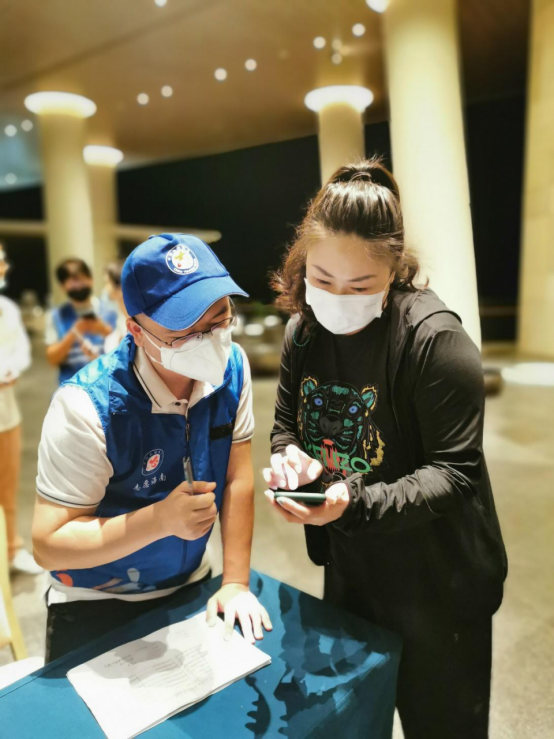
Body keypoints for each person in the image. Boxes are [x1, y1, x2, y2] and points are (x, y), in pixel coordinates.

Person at [263, 159, 507, 739]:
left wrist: (352, 501)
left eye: (360, 286)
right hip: (352, 570)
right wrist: (289, 460)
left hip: (438, 583)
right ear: (302, 262)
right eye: (322, 279)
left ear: (395, 270)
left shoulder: (434, 340)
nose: (336, 299)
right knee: (354, 723)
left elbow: (454, 474)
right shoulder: (304, 331)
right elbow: (285, 426)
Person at [32, 233, 272, 662]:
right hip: (94, 598)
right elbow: (49, 543)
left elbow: (237, 477)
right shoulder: (87, 406)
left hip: (190, 581)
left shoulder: (232, 368)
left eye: (219, 318)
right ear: (137, 332)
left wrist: (235, 581)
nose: (209, 339)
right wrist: (160, 520)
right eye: (185, 331)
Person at [0, 246, 42, 575]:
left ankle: (11, 550)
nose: (3, 266)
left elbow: (21, 351)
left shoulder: (8, 309)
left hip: (6, 413)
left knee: (8, 489)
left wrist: (11, 369)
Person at [45, 258, 117, 384]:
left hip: (107, 383)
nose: (78, 285)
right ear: (62, 286)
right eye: (72, 281)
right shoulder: (56, 316)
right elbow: (52, 359)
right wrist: (74, 333)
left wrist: (103, 330)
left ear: (91, 279)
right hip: (71, 385)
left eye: (81, 279)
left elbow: (125, 351)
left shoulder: (110, 311)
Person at [102, 261, 129, 352]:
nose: (106, 289)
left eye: (108, 283)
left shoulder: (134, 315)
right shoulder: (119, 315)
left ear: (120, 287)